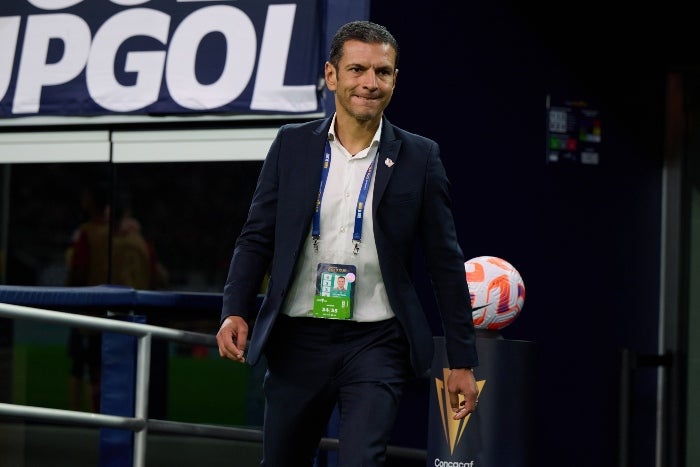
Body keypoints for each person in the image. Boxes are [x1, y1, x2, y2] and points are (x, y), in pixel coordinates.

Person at [216, 20, 479, 466]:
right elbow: (257, 235)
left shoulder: (421, 157)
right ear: (331, 75)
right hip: (297, 340)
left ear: (395, 79)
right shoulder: (291, 145)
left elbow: (445, 262)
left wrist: (461, 359)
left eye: (383, 72)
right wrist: (234, 309)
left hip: (376, 343)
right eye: (357, 69)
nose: (370, 84)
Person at [65, 184, 168, 411]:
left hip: (97, 320)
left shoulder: (90, 235)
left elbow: (77, 272)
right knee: (127, 381)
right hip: (133, 322)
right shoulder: (140, 242)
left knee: (97, 378)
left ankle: (96, 428)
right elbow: (159, 278)